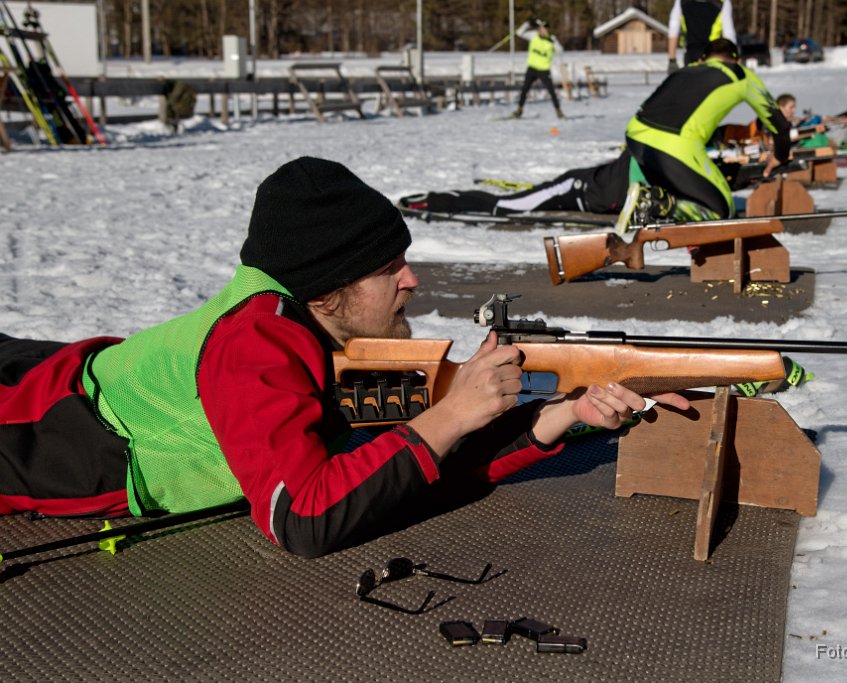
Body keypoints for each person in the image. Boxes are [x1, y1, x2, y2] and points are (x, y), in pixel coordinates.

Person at [0, 157, 689, 558]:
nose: (411, 280)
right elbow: (303, 517)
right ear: (327, 292)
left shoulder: (303, 325)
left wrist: (561, 413)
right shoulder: (254, 345)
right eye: (388, 269)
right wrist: (450, 416)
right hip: (32, 422)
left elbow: (397, 470)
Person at [402, 39, 790, 226]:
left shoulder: (687, 73)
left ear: (703, 58)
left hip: (640, 141)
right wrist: (780, 157)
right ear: (736, 59)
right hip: (586, 186)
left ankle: (658, 204)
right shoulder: (741, 75)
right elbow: (778, 123)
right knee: (511, 205)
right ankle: (436, 200)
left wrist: (743, 171)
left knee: (713, 201)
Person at [511, 18, 565, 120]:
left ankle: (558, 111)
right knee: (524, 89)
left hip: (544, 70)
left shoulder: (551, 39)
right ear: (539, 29)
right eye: (541, 28)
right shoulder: (533, 35)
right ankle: (519, 110)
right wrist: (527, 24)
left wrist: (553, 42)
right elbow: (519, 33)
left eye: (545, 29)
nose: (543, 31)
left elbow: (561, 51)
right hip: (532, 68)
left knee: (552, 91)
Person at [667, 0, 736, 71]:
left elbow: (673, 29)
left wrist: (672, 60)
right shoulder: (723, 2)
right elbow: (728, 33)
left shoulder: (681, 1)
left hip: (691, 54)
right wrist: (734, 57)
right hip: (712, 54)